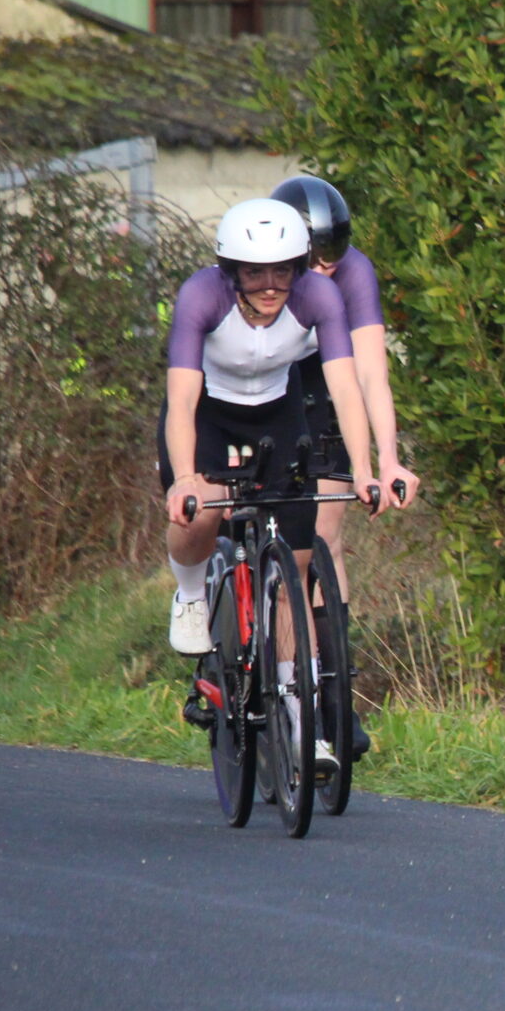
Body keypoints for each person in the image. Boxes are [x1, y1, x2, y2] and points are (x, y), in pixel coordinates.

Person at [163, 199, 382, 764]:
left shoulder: (318, 296)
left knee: (295, 571)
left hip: (278, 413)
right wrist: (185, 478)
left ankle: (302, 718)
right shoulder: (201, 296)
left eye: (282, 271)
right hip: (210, 415)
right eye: (255, 272)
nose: (269, 285)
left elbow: (346, 388)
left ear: (300, 267)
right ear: (231, 270)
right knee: (203, 511)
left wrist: (365, 470)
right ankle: (191, 593)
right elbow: (181, 399)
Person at [275, 175, 417, 759]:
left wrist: (387, 459)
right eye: (315, 256)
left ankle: (332, 695)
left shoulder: (352, 272)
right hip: (262, 382)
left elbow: (371, 377)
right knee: (266, 524)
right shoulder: (259, 275)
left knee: (326, 536)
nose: (327, 266)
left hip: (324, 383)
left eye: (336, 250)